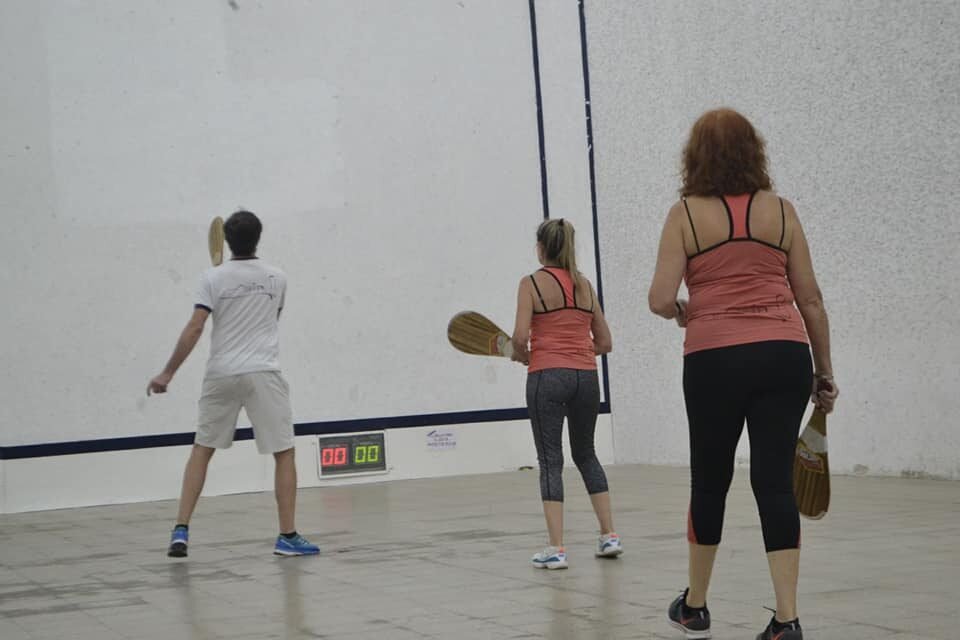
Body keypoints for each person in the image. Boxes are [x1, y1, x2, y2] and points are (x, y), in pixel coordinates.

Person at [648, 108, 838, 640]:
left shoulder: (684, 215)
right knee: (775, 484)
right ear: (754, 151)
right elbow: (811, 300)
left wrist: (681, 310)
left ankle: (695, 607)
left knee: (710, 481)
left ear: (695, 156)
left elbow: (659, 298)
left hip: (714, 360)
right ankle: (786, 620)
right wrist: (823, 373)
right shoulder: (782, 212)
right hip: (784, 355)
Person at [147, 210, 319, 558]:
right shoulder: (278, 278)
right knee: (284, 452)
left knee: (202, 448)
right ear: (258, 237)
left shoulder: (211, 278)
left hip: (221, 373)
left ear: (226, 241)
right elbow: (273, 319)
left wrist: (168, 373)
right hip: (262, 372)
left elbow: (196, 327)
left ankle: (181, 530)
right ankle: (287, 536)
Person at [510, 218, 620, 570]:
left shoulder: (530, 284)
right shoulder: (585, 286)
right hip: (586, 378)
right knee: (586, 454)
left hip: (547, 377)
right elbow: (605, 342)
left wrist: (523, 353)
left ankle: (557, 548)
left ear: (541, 248)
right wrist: (577, 351)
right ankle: (609, 535)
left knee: (550, 461)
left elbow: (519, 337)